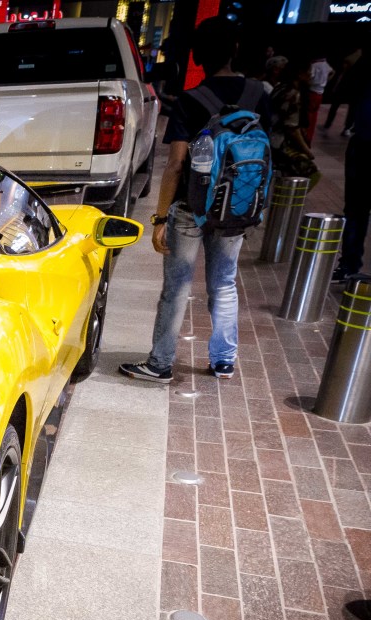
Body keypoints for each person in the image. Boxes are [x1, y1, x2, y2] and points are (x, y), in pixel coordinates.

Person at [120, 16, 271, 384]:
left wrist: (158, 220)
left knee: (177, 287)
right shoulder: (259, 95)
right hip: (237, 208)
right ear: (235, 50)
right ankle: (223, 361)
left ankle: (160, 363)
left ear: (198, 57)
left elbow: (174, 165)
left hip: (192, 209)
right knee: (223, 283)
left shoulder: (192, 100)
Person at [334, 60, 371, 280]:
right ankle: (349, 263)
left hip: (363, 147)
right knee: (356, 210)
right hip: (363, 148)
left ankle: (349, 263)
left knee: (356, 211)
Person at [269, 60, 322, 189]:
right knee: (312, 172)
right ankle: (285, 203)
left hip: (270, 138)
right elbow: (291, 128)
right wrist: (307, 150)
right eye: (309, 72)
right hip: (279, 143)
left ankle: (281, 202)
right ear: (299, 74)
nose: (311, 75)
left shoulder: (280, 87)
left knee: (287, 177)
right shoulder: (293, 94)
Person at [305, 53, 334, 144]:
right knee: (314, 115)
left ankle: (306, 136)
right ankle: (310, 136)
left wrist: (309, 83)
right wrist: (325, 81)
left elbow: (310, 76)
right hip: (320, 92)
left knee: (308, 116)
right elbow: (333, 72)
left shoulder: (314, 65)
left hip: (312, 92)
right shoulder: (325, 64)